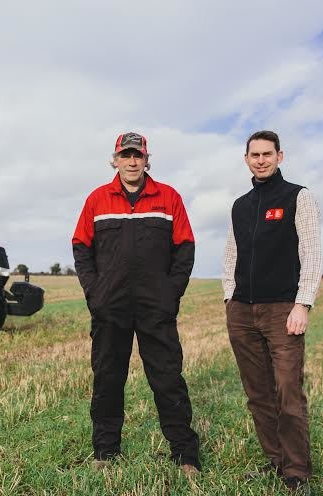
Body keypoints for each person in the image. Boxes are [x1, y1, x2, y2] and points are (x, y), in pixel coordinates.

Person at [72, 132, 201, 477]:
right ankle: (105, 451)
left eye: (137, 156)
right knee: (108, 379)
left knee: (168, 379)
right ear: (115, 160)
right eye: (125, 155)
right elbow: (81, 248)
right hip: (110, 308)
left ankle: (185, 455)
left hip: (155, 308)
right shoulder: (97, 199)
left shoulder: (168, 197)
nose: (132, 162)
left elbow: (185, 249)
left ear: (146, 160)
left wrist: (170, 294)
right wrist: (95, 293)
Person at [222, 130, 321, 493]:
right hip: (242, 312)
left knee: (288, 392)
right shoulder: (240, 205)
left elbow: (312, 253)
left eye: (267, 154)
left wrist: (303, 304)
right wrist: (229, 299)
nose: (261, 160)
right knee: (258, 395)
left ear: (280, 156)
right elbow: (231, 255)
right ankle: (276, 462)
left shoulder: (298, 196)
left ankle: (297, 471)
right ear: (246, 159)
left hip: (283, 311)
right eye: (255, 155)